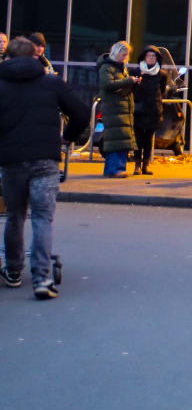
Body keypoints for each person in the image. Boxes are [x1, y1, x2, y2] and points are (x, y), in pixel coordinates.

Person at [0, 36, 90, 299]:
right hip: (45, 159)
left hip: (11, 159)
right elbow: (82, 112)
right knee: (42, 217)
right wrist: (67, 138)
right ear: (35, 56)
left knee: (15, 216)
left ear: (7, 58)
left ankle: (13, 271)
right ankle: (42, 278)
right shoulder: (51, 82)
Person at [95, 41, 135, 178]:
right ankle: (115, 169)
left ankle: (113, 168)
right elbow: (108, 84)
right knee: (117, 138)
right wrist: (129, 81)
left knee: (120, 138)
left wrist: (131, 82)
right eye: (123, 55)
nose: (125, 57)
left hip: (121, 107)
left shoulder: (120, 68)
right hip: (113, 107)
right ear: (116, 53)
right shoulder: (107, 67)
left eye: (127, 55)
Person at [129, 47, 169, 175]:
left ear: (157, 58)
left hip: (153, 109)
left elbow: (162, 91)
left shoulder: (162, 74)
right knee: (138, 138)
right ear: (144, 57)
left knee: (149, 139)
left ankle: (145, 166)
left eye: (154, 56)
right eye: (149, 55)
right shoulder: (136, 71)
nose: (151, 58)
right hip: (139, 109)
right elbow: (131, 89)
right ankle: (137, 165)